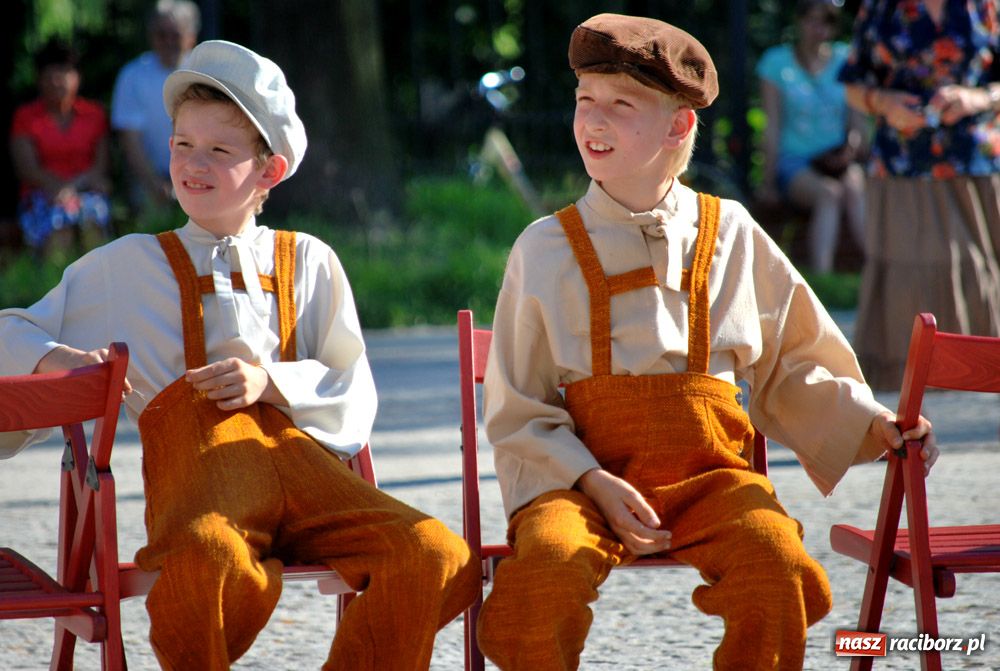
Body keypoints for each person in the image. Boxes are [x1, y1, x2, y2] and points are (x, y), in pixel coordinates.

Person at [476, 13, 938, 670]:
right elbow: (519, 407)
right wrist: (589, 479)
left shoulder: (733, 233)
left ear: (678, 126)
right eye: (584, 100)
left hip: (712, 480)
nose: (593, 120)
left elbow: (794, 362)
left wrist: (874, 421)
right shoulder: (543, 247)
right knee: (545, 570)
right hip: (578, 487)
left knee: (776, 567)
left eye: (620, 104)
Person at [0, 40, 478, 670]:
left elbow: (351, 381)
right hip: (203, 491)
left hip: (310, 480)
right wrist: (55, 361)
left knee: (436, 553)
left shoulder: (309, 260)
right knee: (209, 558)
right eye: (182, 144)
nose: (192, 164)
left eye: (219, 151)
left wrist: (270, 382)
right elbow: (11, 330)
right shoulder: (127, 265)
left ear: (269, 171)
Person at [838, 0, 1000, 390]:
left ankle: (981, 373)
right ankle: (907, 377)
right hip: (902, 163)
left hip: (976, 162)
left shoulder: (988, 6)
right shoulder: (880, 8)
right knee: (908, 270)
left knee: (980, 265)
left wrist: (978, 98)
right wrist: (883, 103)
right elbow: (853, 86)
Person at [756, 0, 867, 274]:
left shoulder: (846, 59)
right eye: (812, 20)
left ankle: (875, 270)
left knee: (854, 186)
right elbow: (772, 126)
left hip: (836, 157)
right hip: (794, 161)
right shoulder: (775, 63)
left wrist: (851, 148)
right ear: (800, 21)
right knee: (829, 194)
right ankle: (822, 277)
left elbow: (857, 121)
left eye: (826, 22)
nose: (818, 29)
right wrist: (767, 182)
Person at [9, 41, 111, 257]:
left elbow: (100, 167)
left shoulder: (94, 114)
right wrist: (59, 190)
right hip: (43, 194)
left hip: (86, 191)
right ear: (39, 79)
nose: (57, 80)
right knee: (58, 227)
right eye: (50, 74)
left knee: (92, 224)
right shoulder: (25, 117)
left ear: (77, 77)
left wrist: (73, 189)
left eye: (64, 72)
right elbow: (28, 170)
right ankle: (53, 275)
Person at [110, 0, 199, 211]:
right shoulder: (132, 76)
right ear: (151, 36)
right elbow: (130, 139)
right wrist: (154, 184)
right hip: (148, 179)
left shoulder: (204, 73)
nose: (168, 41)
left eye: (175, 35)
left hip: (201, 171)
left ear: (191, 37)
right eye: (161, 34)